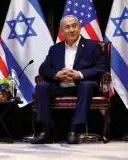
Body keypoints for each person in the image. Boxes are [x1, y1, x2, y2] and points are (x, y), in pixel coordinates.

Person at [31, 15, 108, 144]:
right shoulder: (55, 49)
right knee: (41, 86)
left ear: (80, 27)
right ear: (61, 31)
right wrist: (57, 74)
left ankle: (75, 130)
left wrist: (79, 74)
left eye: (74, 26)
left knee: (87, 85)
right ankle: (45, 131)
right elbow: (43, 69)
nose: (72, 30)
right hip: (61, 87)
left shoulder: (92, 46)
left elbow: (102, 67)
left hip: (82, 87)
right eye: (67, 27)